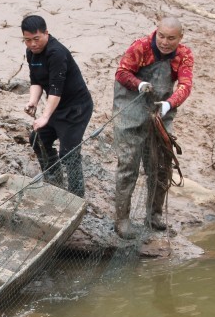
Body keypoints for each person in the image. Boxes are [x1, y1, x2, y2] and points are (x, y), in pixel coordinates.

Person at [112, 16, 194, 239]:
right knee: (128, 164)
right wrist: (139, 84)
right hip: (130, 106)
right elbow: (121, 73)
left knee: (160, 165)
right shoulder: (140, 47)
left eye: (171, 38)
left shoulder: (184, 54)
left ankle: (154, 214)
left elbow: (186, 85)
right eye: (161, 36)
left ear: (180, 38)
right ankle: (122, 219)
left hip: (160, 109)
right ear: (155, 32)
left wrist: (170, 103)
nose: (165, 42)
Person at [21, 14, 94, 197]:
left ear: (46, 33)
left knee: (69, 153)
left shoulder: (56, 53)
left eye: (36, 39)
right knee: (37, 139)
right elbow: (36, 80)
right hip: (57, 107)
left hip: (76, 108)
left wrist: (45, 117)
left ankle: (76, 197)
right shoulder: (31, 53)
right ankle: (54, 179)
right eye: (27, 40)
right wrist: (33, 101)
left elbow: (55, 88)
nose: (33, 44)